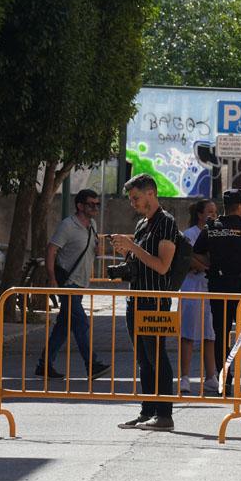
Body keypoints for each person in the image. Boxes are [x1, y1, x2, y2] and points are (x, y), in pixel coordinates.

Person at [113, 174, 179, 432]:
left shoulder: (166, 223)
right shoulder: (143, 225)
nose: (133, 203)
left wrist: (134, 247)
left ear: (150, 193)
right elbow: (141, 262)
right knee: (143, 359)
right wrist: (127, 256)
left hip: (155, 300)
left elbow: (162, 266)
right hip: (136, 299)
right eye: (131, 199)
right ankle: (147, 411)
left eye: (136, 198)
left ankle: (164, 414)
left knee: (157, 357)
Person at [192, 189, 241, 394]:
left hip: (218, 287)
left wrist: (212, 265)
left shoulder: (211, 228)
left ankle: (224, 381)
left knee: (221, 335)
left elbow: (196, 253)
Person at [35, 189, 110, 380]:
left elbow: (91, 249)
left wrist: (98, 248)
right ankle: (92, 364)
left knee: (64, 326)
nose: (95, 207)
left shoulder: (92, 225)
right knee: (81, 323)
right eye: (91, 204)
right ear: (80, 206)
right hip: (68, 283)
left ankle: (44, 365)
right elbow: (51, 250)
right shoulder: (67, 225)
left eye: (97, 204)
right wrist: (52, 278)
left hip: (81, 283)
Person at [178, 200, 219, 394]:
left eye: (216, 211)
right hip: (191, 287)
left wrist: (200, 260)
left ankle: (211, 376)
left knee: (209, 334)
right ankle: (184, 377)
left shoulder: (216, 234)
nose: (214, 215)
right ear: (200, 214)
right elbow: (187, 258)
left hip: (208, 288)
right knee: (187, 334)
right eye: (210, 211)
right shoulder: (189, 234)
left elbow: (214, 259)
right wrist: (200, 262)